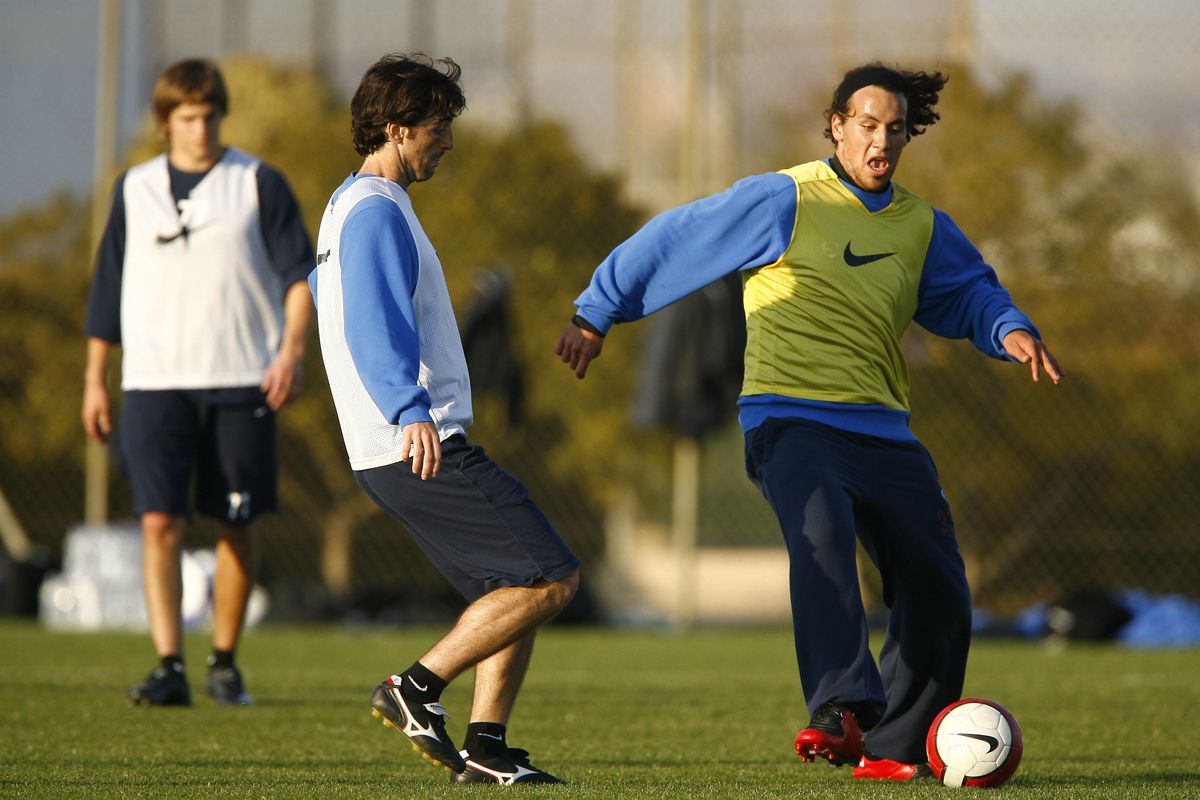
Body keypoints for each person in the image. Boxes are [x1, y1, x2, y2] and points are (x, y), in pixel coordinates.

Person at [557, 63, 1063, 781]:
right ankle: (842, 708)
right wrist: (597, 310)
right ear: (836, 125)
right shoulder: (784, 198)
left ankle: (895, 749)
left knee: (940, 584)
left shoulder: (920, 225)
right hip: (789, 422)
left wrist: (1008, 328)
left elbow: (970, 294)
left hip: (884, 431)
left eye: (894, 128)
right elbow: (678, 238)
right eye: (866, 125)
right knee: (820, 531)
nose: (880, 140)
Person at [309, 53, 580, 785]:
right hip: (416, 442)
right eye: (439, 126)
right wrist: (409, 410)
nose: (448, 140)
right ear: (397, 129)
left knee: (507, 590)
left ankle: (486, 751)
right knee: (550, 579)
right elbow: (370, 324)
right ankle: (414, 689)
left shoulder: (345, 206)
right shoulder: (372, 211)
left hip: (392, 448)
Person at [82, 58, 314, 707]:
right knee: (159, 521)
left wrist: (291, 351)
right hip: (155, 382)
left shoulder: (257, 183)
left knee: (235, 523)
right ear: (165, 122)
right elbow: (106, 292)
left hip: (243, 380)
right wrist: (95, 380)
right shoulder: (134, 189)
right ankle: (167, 665)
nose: (202, 127)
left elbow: (302, 278)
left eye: (211, 114)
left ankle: (224, 659)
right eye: (188, 117)